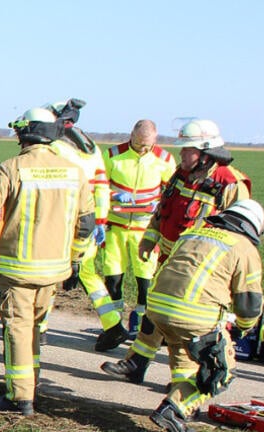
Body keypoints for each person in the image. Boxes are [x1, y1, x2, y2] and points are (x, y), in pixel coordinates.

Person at [101, 119, 251, 384]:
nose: (181, 155)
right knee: (154, 310)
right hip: (170, 260)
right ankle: (136, 363)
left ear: (206, 153)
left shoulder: (230, 183)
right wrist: (150, 238)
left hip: (202, 270)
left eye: (187, 150)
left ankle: (185, 382)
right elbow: (164, 209)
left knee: (187, 325)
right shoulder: (182, 174)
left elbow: (239, 233)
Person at [0, 106, 94, 415]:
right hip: (55, 271)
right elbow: (87, 224)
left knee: (18, 331)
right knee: (36, 330)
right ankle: (31, 385)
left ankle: (19, 397)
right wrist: (75, 259)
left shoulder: (13, 168)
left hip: (19, 271)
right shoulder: (74, 171)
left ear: (26, 132)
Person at [136, 200, 264, 432]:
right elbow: (249, 303)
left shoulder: (194, 232)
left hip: (156, 308)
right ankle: (174, 410)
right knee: (221, 370)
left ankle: (184, 409)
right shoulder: (244, 247)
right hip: (193, 315)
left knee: (184, 360)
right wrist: (245, 328)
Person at [37, 99, 111, 350]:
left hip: (64, 220)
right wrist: (100, 219)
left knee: (49, 273)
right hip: (89, 221)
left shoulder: (56, 146)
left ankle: (41, 328)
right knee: (88, 274)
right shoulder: (89, 146)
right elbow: (101, 185)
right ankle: (113, 325)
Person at [99, 120, 177, 348]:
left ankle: (143, 325)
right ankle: (113, 326)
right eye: (138, 143)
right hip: (116, 227)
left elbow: (170, 192)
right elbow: (100, 185)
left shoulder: (164, 160)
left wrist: (159, 209)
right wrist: (114, 196)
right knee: (113, 278)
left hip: (145, 230)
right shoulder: (113, 155)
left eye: (147, 145)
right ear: (131, 135)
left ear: (155, 139)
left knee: (146, 280)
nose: (142, 149)